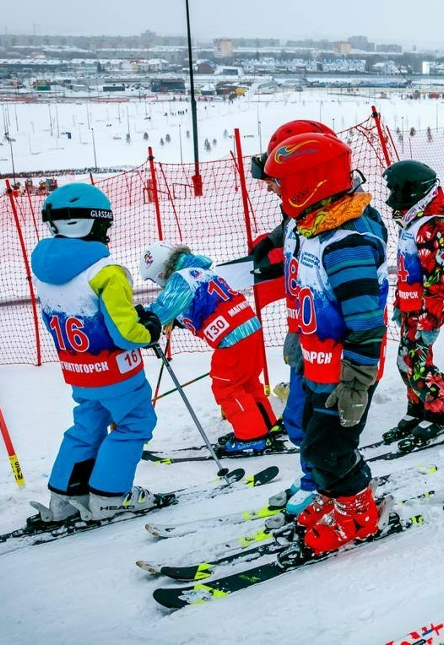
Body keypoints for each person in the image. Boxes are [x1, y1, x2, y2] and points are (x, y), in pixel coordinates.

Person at [264, 131, 389, 556]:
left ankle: (358, 514)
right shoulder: (308, 227)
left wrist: (356, 382)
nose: (276, 191)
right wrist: (301, 338)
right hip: (316, 362)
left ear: (306, 184)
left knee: (329, 449)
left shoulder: (344, 242)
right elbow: (306, 289)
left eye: (281, 183)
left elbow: (366, 322)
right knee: (316, 442)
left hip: (346, 371)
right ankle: (336, 498)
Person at [30, 183, 163, 522]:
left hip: (78, 371)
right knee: (135, 422)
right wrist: (148, 328)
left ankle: (64, 496)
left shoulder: (45, 274)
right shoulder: (106, 272)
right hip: (116, 371)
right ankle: (109, 496)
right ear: (92, 223)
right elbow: (125, 332)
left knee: (87, 424)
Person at [249, 119, 340, 516]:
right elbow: (292, 239)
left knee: (313, 420)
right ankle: (313, 477)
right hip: (302, 333)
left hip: (325, 342)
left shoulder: (338, 222)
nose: (271, 186)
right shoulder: (300, 215)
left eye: (277, 177)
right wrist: (269, 253)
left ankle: (322, 484)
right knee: (301, 417)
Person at [138, 241, 278, 455]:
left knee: (226, 387)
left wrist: (138, 320)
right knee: (247, 382)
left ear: (159, 272)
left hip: (231, 339)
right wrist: (177, 322)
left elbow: (160, 310)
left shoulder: (180, 279)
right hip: (249, 328)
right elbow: (204, 304)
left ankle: (252, 436)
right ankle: (265, 424)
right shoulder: (199, 270)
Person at [379, 160, 444, 446]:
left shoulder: (434, 224)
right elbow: (408, 271)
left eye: (395, 190)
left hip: (428, 309)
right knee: (406, 361)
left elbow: (438, 277)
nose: (391, 198)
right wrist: (402, 304)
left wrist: (431, 319)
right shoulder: (414, 220)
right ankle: (419, 407)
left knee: (417, 362)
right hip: (412, 306)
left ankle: (443, 411)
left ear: (412, 191)